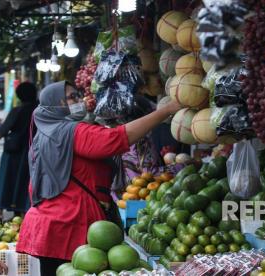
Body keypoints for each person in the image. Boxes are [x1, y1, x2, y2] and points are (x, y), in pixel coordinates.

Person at [15, 81, 181, 276]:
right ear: (56, 103)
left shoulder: (45, 134)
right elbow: (116, 139)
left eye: (78, 95)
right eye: (72, 97)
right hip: (68, 224)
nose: (80, 100)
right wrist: (166, 110)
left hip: (49, 224)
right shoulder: (71, 132)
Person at [0, 82, 38, 222]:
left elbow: (2, 131)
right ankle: (22, 215)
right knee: (24, 184)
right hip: (32, 153)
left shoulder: (18, 110)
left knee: (6, 181)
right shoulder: (39, 110)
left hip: (12, 154)